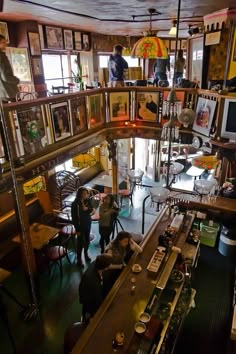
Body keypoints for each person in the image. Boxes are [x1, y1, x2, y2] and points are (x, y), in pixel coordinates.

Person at [79, 254, 113, 323]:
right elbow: (93, 300)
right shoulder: (92, 282)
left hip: (95, 297)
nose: (111, 265)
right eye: (109, 264)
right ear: (105, 267)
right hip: (91, 305)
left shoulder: (96, 264)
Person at [71, 187, 95, 267]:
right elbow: (74, 218)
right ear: (80, 194)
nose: (85, 195)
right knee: (80, 242)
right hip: (80, 226)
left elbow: (91, 209)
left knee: (87, 240)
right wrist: (77, 229)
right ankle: (79, 259)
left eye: (86, 193)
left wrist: (87, 208)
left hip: (88, 223)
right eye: (84, 194)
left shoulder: (88, 200)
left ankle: (86, 253)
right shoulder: (75, 204)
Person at [0, 34, 20, 101]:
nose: (6, 44)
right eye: (3, 42)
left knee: (4, 111)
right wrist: (17, 80)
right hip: (9, 91)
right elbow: (5, 77)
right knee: (22, 110)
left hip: (2, 93)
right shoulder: (1, 56)